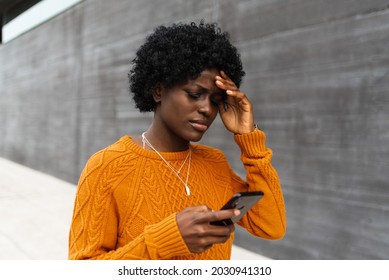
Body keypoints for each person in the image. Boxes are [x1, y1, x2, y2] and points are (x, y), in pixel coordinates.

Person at [68, 22, 286, 260]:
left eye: (215, 100)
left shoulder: (215, 163)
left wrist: (248, 139)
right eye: (194, 94)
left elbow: (272, 226)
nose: (206, 109)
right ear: (158, 90)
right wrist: (168, 239)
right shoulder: (106, 167)